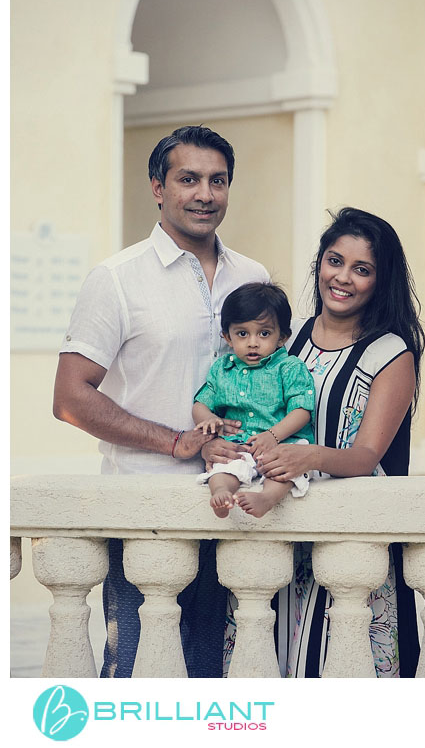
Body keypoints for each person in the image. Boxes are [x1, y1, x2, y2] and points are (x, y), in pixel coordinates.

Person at [53, 125, 269, 677]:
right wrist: (175, 442)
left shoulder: (253, 277)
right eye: (188, 179)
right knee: (138, 672)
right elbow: (70, 397)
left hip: (237, 507)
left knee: (222, 675)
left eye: (218, 181)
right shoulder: (116, 279)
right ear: (157, 187)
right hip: (145, 507)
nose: (205, 194)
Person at [204, 207, 425, 677]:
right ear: (319, 263)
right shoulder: (286, 337)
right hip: (282, 531)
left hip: (349, 537)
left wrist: (307, 457)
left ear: (380, 280)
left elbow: (368, 456)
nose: (342, 277)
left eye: (361, 269)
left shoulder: (391, 352)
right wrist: (219, 442)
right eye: (334, 261)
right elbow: (244, 410)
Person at [193, 282, 315, 518]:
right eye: (242, 334)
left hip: (281, 442)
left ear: (282, 337)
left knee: (284, 468)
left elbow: (302, 410)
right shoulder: (222, 369)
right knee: (224, 466)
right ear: (227, 337)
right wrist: (208, 418)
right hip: (239, 443)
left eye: (264, 333)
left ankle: (267, 497)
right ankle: (221, 492)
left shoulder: (289, 367)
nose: (252, 342)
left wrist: (273, 435)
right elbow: (200, 404)